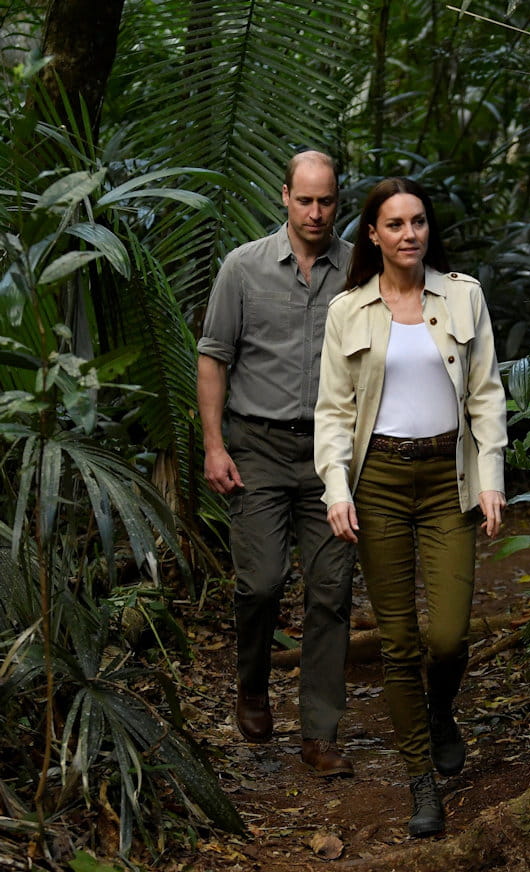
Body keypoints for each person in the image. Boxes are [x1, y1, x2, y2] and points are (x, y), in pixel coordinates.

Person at [314, 177, 507, 834]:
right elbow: (333, 411)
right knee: (398, 643)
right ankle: (422, 783)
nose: (409, 234)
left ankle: (441, 710)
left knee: (448, 637)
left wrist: (491, 478)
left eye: (418, 221)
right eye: (394, 224)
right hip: (380, 483)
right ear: (372, 235)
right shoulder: (349, 310)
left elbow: (486, 394)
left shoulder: (463, 296)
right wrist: (337, 488)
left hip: (450, 476)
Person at [197, 150, 356, 777]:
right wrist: (214, 445)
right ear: (284, 197)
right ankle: (253, 684)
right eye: (305, 200)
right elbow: (214, 356)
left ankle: (320, 733)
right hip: (257, 447)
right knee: (260, 583)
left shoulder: (360, 270)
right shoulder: (243, 267)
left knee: (331, 591)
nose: (315, 213)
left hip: (331, 454)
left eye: (326, 201)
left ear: (338, 201)